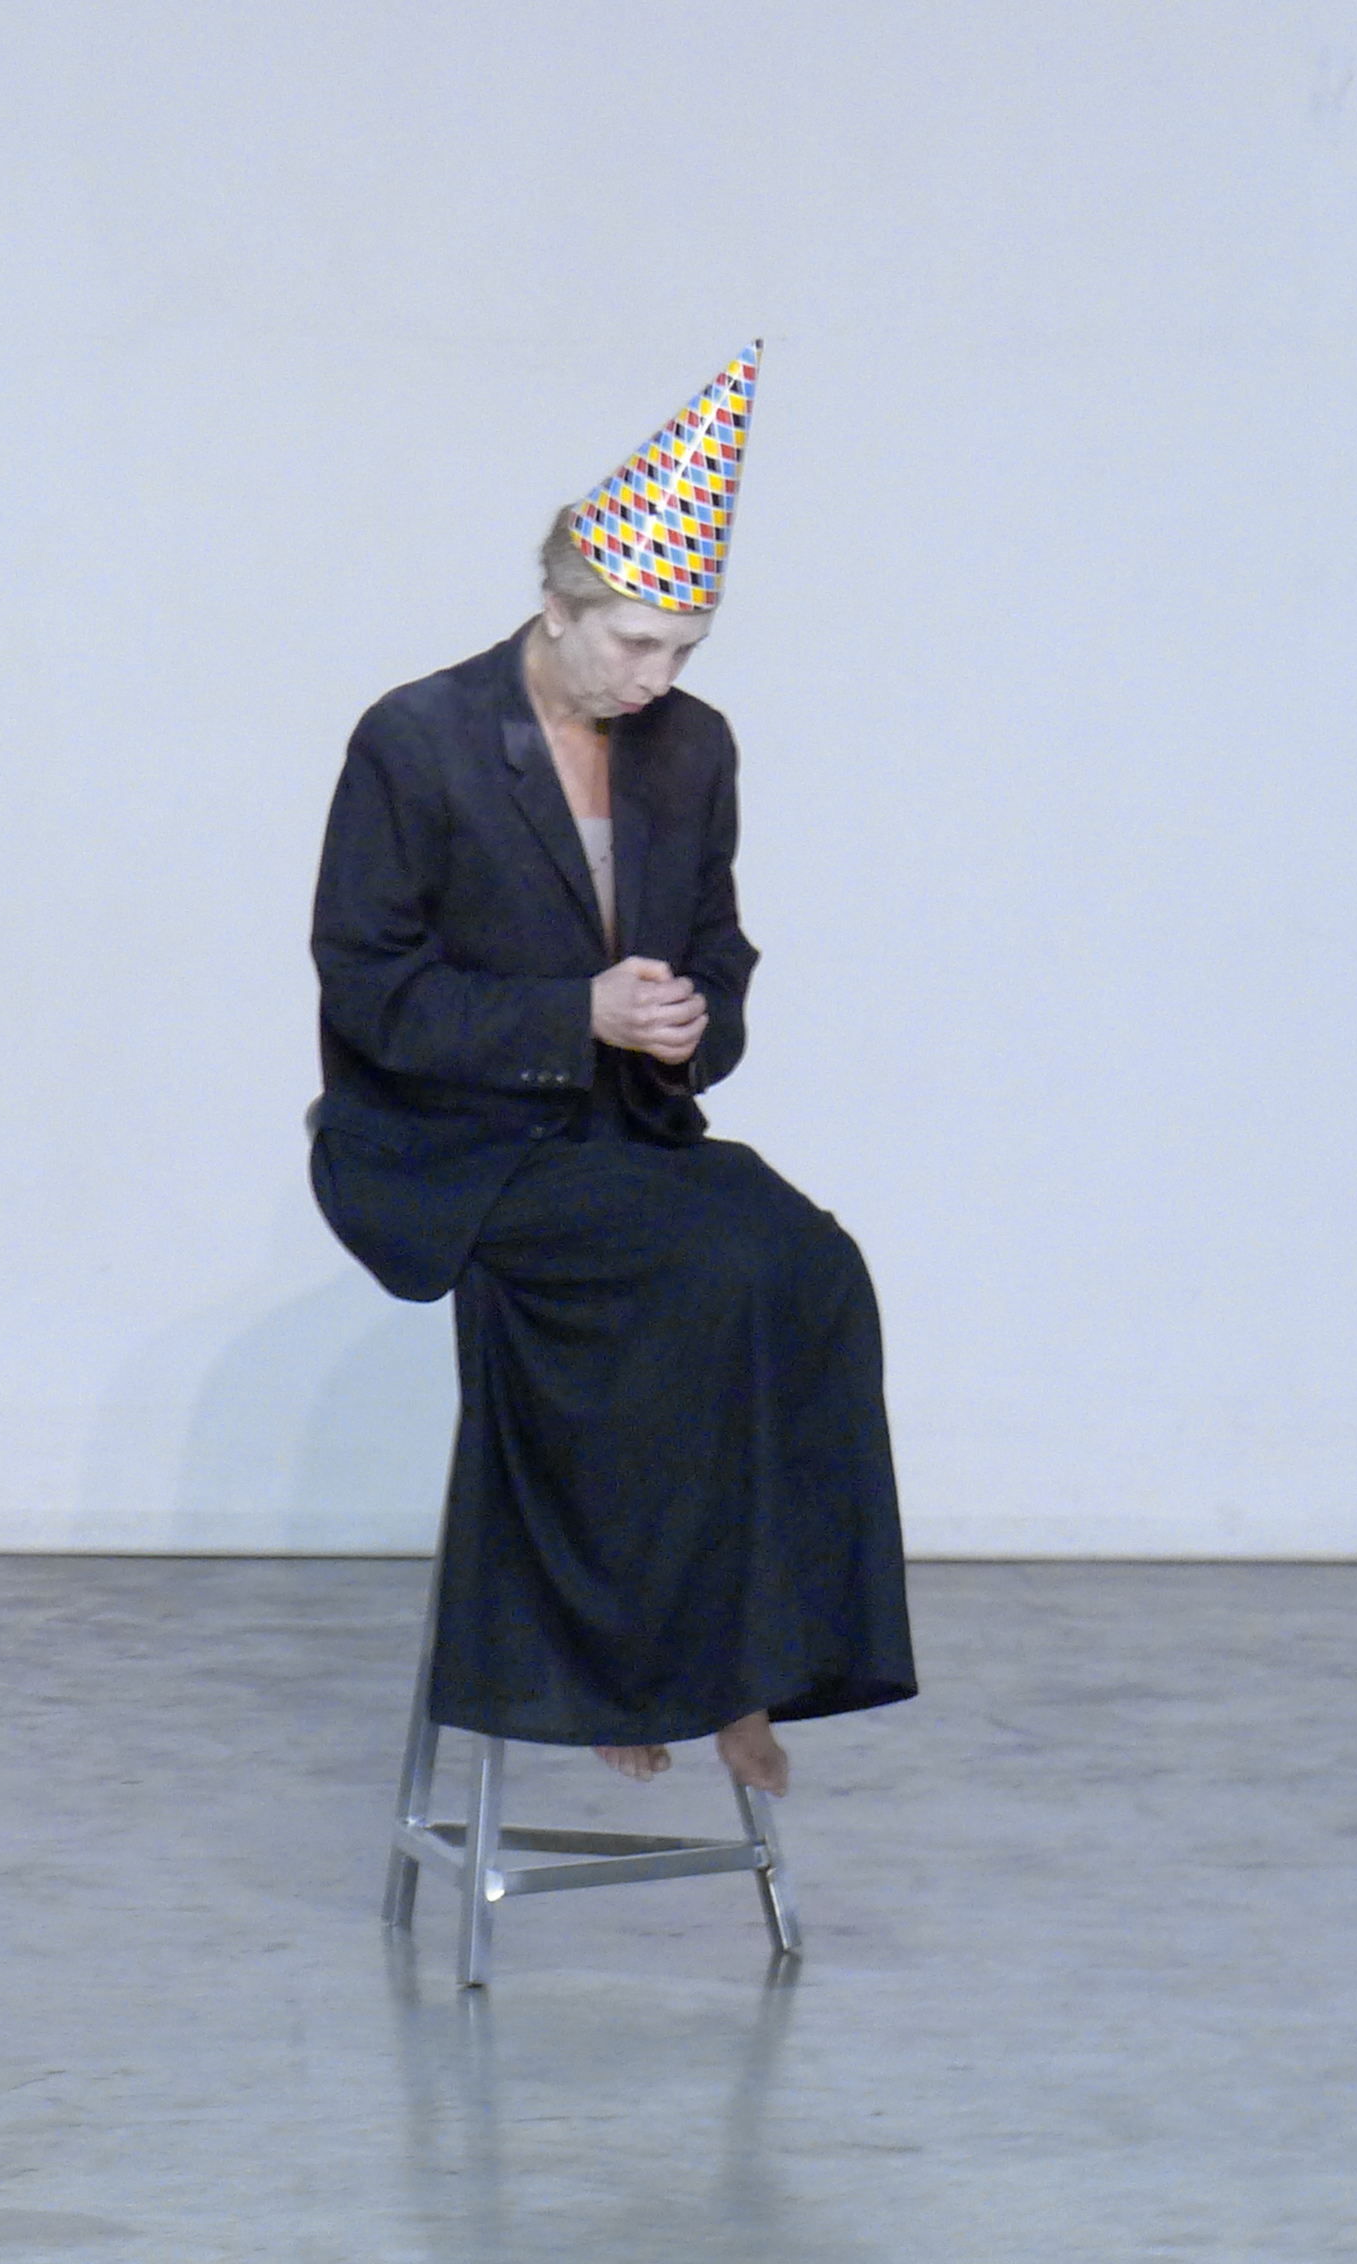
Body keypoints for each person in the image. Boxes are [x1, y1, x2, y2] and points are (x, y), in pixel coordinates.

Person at [305, 345, 916, 1798]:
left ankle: (747, 1663)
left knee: (812, 1271)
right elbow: (371, 989)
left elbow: (718, 945)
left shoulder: (690, 750)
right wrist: (571, 1013)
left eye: (684, 651)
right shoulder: (419, 741)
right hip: (447, 1144)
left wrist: (696, 1021)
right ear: (557, 609)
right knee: (696, 1270)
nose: (659, 678)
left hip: (616, 1135)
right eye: (636, 645)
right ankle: (632, 1666)